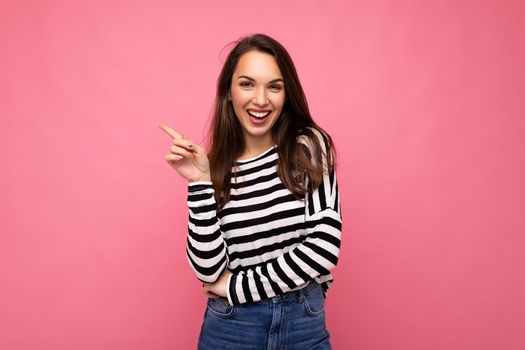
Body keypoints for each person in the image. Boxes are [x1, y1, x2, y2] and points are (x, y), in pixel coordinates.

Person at [157, 33, 342, 350]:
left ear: (286, 94)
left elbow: (324, 247)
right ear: (228, 91)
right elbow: (208, 269)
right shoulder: (213, 168)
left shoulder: (308, 145)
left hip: (302, 322)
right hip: (231, 328)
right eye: (247, 84)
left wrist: (236, 286)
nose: (260, 99)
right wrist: (200, 182)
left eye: (274, 86)